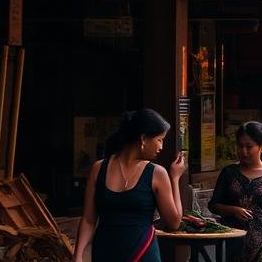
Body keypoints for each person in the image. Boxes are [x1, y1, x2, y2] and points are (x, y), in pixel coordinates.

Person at [73, 109, 186, 262]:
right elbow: (88, 219)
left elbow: (174, 223)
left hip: (142, 253)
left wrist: (174, 178)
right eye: (159, 140)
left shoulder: (156, 173)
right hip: (104, 254)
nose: (161, 147)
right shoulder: (98, 169)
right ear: (143, 139)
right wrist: (78, 255)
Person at [208, 121, 262, 262]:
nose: (243, 151)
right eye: (240, 146)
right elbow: (214, 205)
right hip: (233, 240)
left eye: (249, 147)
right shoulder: (229, 173)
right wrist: (233, 210)